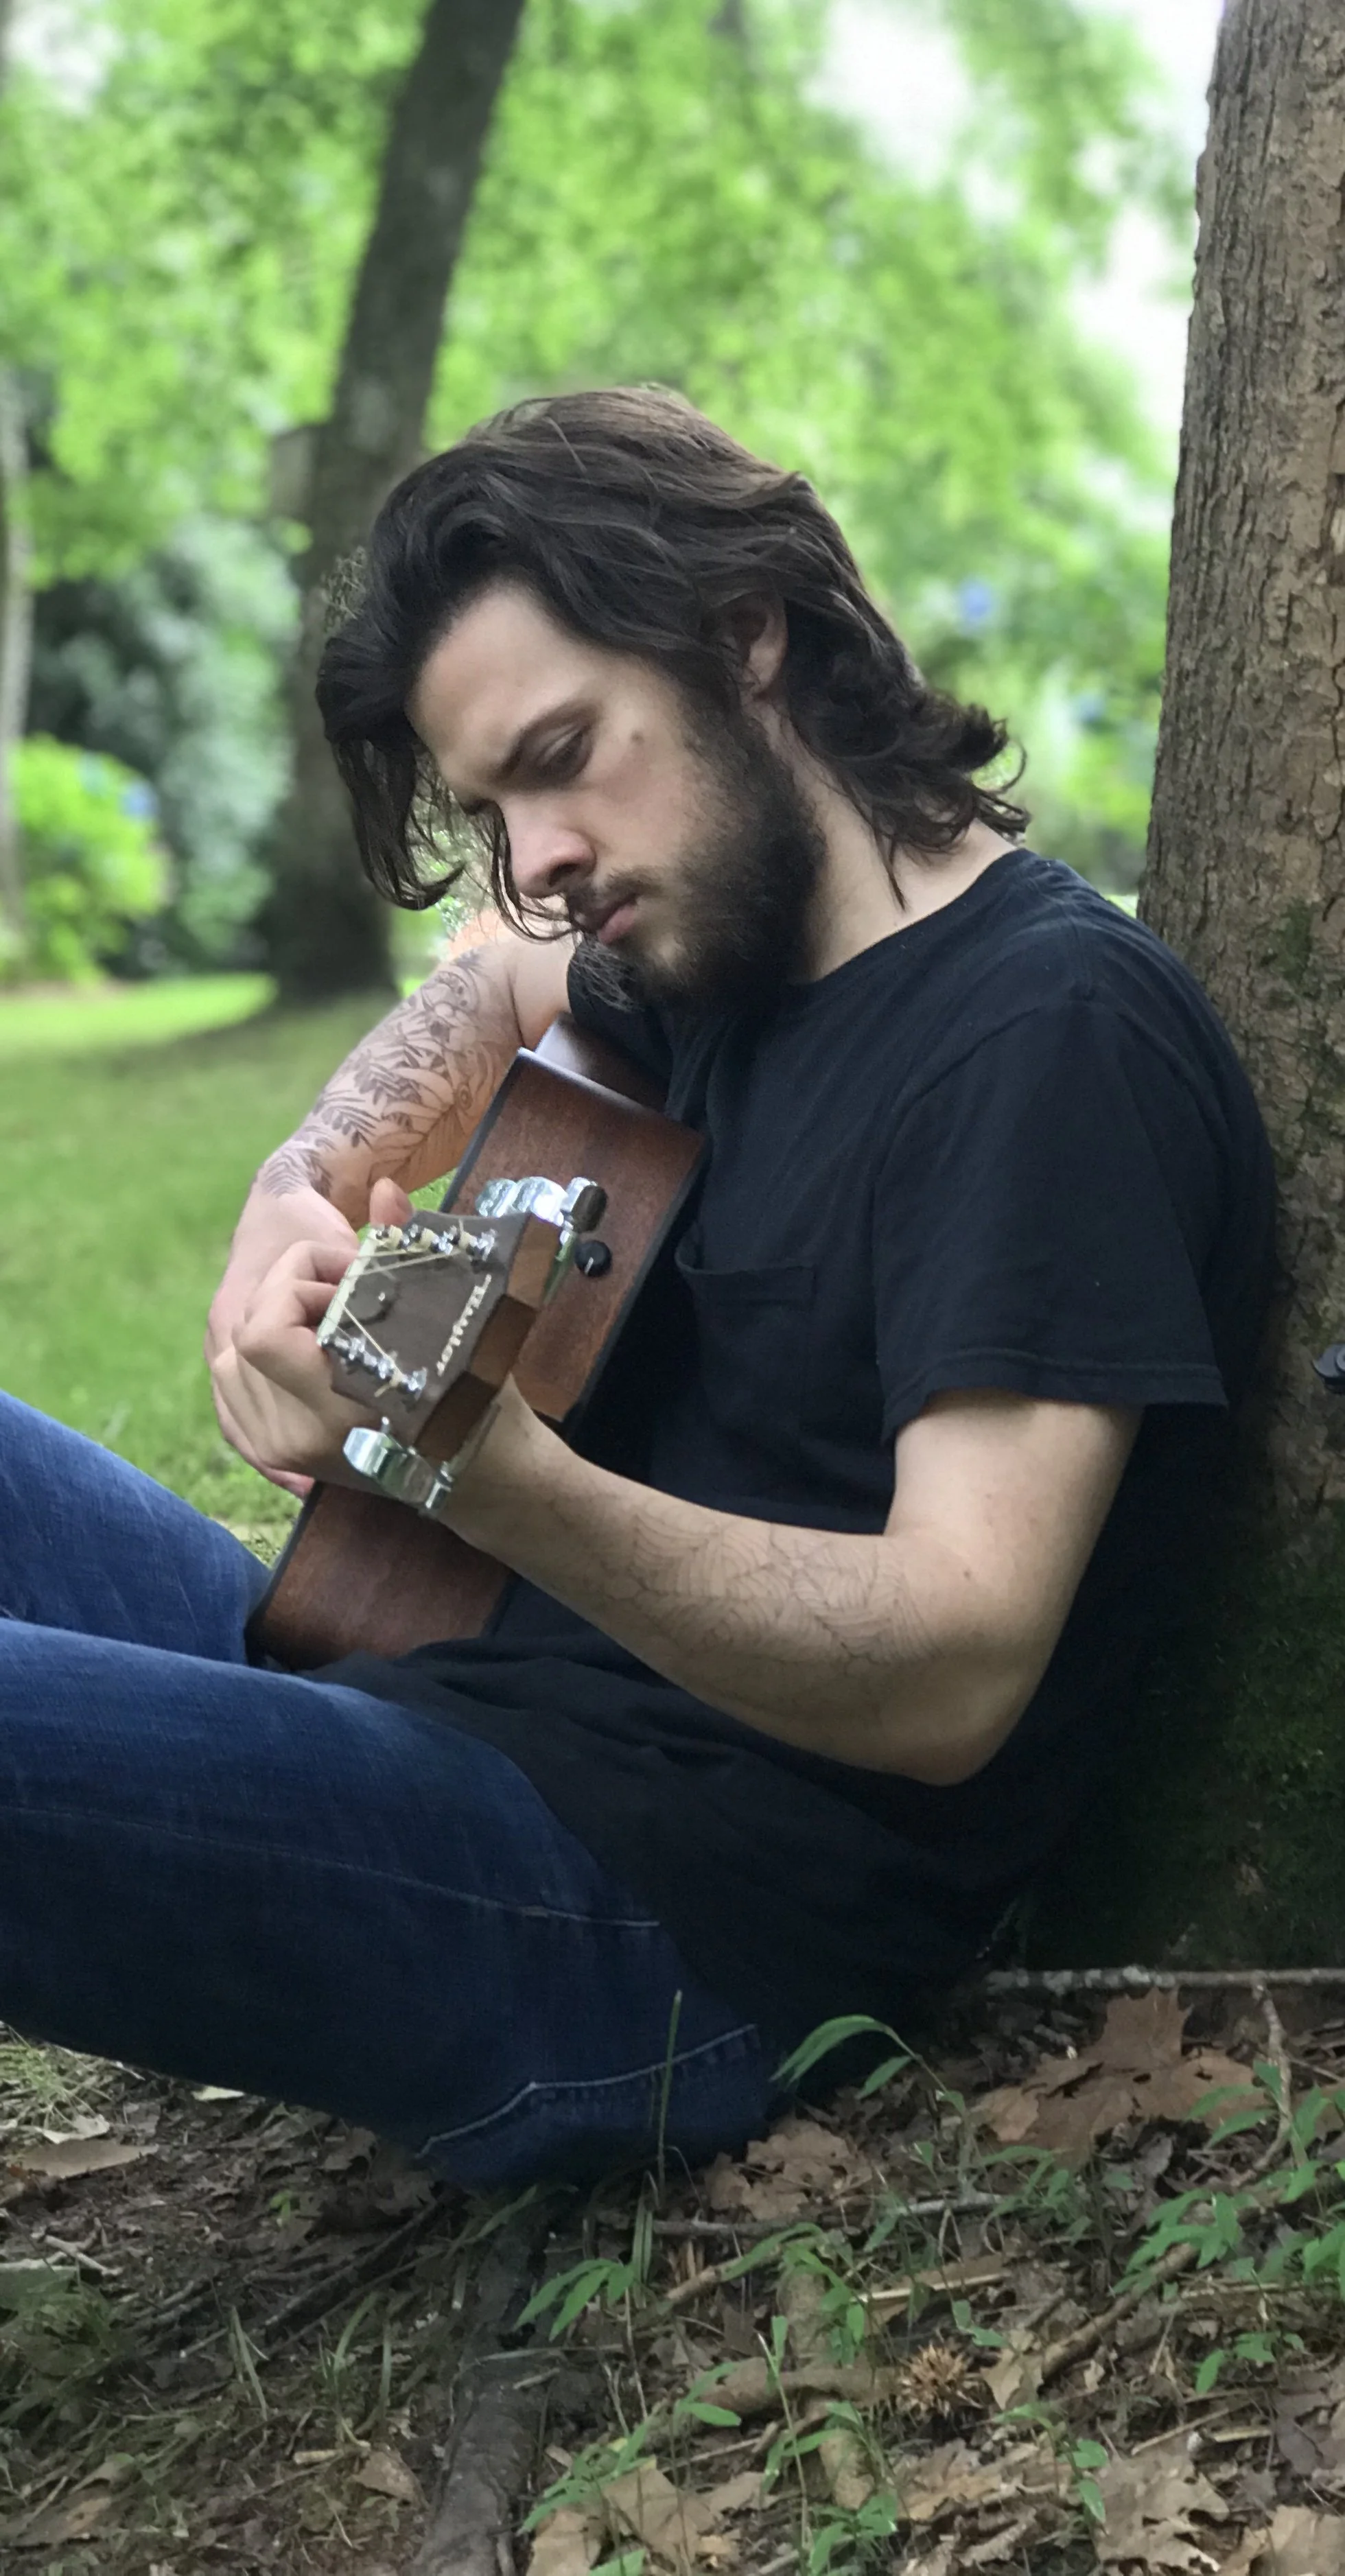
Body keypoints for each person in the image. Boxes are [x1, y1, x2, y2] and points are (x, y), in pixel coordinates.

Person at [0, 389, 1275, 2188]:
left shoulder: (1045, 1037)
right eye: (492, 807)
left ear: (746, 635)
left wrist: (486, 1475)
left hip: (644, 1927)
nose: (535, 859)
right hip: (415, 1693)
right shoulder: (705, 943)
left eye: (560, 756)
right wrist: (297, 1187)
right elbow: (493, 973)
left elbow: (954, 1664)